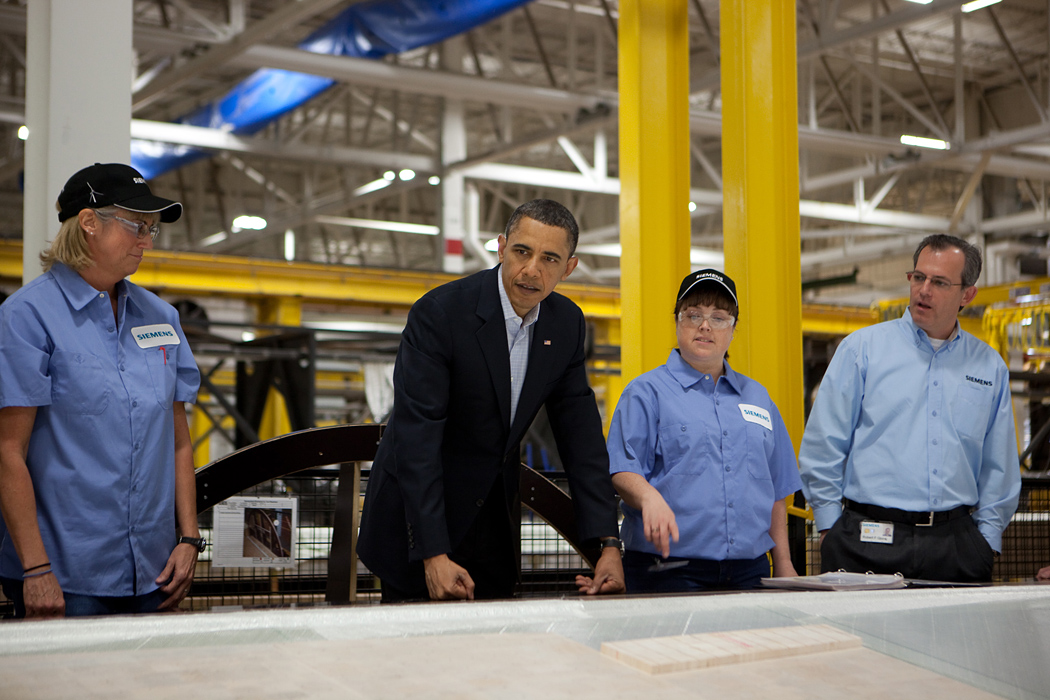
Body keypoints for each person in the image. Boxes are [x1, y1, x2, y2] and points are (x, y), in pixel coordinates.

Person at [357, 199, 625, 601]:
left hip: (494, 527)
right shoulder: (440, 314)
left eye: (550, 258)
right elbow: (417, 438)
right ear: (500, 247)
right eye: (522, 251)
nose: (532, 269)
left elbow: (581, 436)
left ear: (568, 268)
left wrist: (607, 544)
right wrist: (433, 553)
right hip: (419, 522)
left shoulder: (566, 325)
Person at [0, 163, 203, 618]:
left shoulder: (161, 319)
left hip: (156, 570)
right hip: (65, 575)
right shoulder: (28, 318)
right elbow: (7, 452)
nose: (147, 241)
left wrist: (189, 539)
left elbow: (178, 439)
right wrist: (35, 569)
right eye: (136, 226)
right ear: (89, 222)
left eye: (151, 229)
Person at [799, 234, 1020, 582]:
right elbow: (823, 443)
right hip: (865, 541)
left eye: (939, 282)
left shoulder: (988, 367)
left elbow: (1000, 466)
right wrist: (829, 526)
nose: (924, 290)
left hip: (956, 546)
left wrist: (986, 541)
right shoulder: (862, 351)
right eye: (919, 277)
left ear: (968, 294)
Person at [606, 269, 802, 592]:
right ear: (677, 322)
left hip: (750, 573)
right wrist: (648, 496)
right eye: (693, 314)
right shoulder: (646, 393)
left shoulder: (758, 398)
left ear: (733, 329)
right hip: (669, 571)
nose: (705, 325)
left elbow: (777, 490)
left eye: (719, 317)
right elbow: (622, 468)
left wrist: (783, 562)